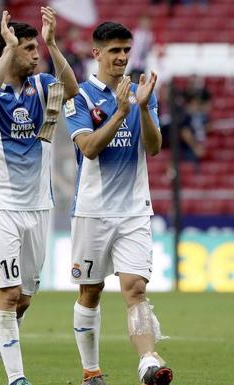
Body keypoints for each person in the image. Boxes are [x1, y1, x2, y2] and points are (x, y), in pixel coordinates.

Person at [0, 8, 78, 385]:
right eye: (29, 48)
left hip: (38, 206)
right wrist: (6, 52)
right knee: (8, 293)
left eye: (36, 48)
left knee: (23, 299)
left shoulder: (45, 85)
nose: (36, 54)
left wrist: (52, 43)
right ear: (9, 52)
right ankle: (17, 378)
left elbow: (74, 92)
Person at [64, 22, 173, 385]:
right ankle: (91, 371)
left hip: (134, 209)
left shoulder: (143, 92)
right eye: (114, 51)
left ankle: (148, 361)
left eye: (126, 50)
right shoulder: (78, 96)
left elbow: (154, 147)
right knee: (90, 291)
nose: (122, 57)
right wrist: (121, 112)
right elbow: (90, 149)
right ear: (97, 53)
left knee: (135, 288)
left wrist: (142, 108)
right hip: (92, 211)